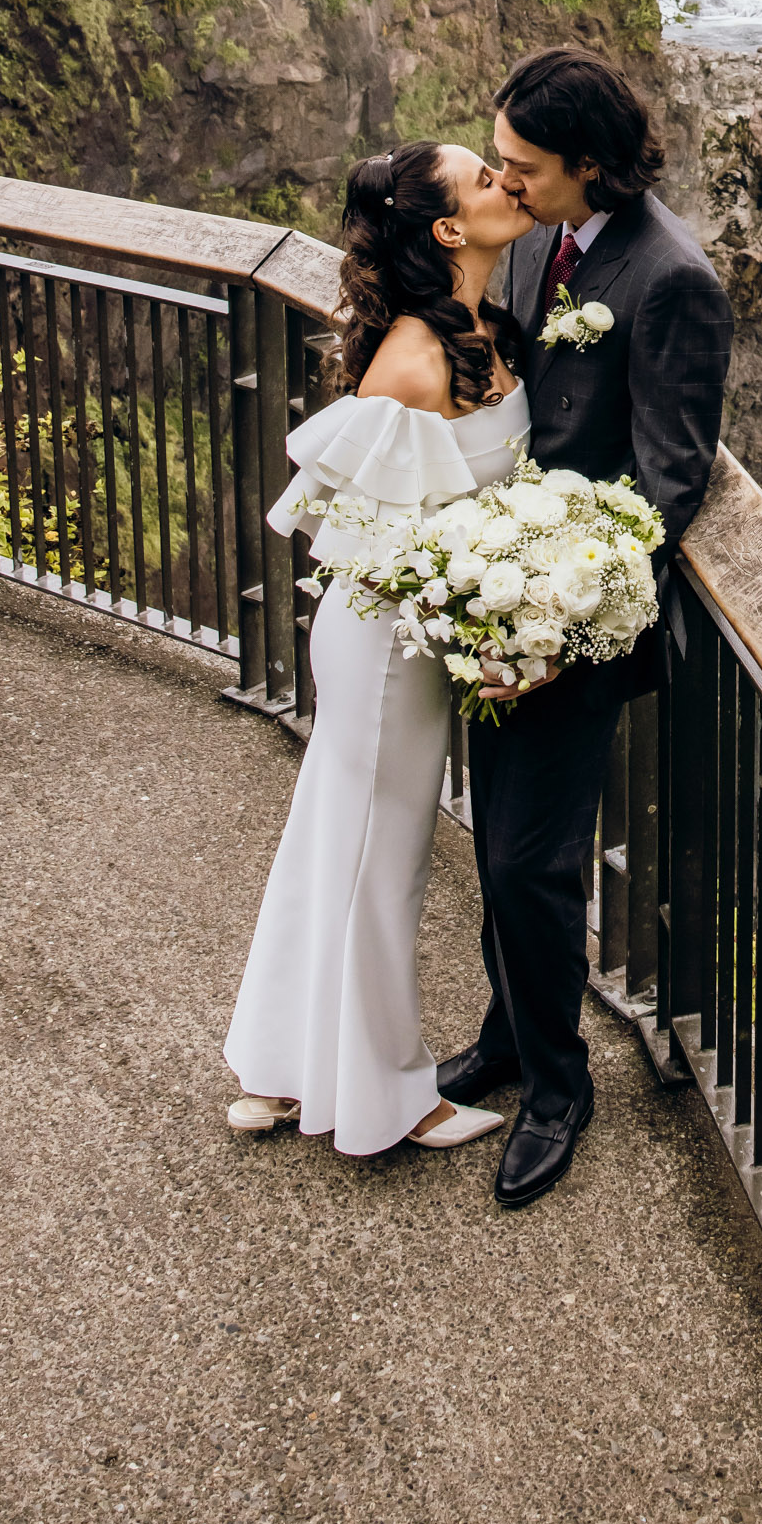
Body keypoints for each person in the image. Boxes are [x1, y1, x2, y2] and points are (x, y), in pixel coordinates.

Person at [435, 46, 734, 1209]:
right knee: (497, 845)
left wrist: (554, 619)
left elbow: (668, 479)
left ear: (589, 168)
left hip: (577, 621)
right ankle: (505, 1037)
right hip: (499, 591)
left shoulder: (669, 279)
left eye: (521, 167)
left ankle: (560, 1091)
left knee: (532, 862)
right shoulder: (545, 245)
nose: (502, 185)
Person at [222, 141, 534, 1158]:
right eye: (483, 178)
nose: (505, 181)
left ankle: (279, 1066)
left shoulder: (480, 324)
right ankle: (389, 1094)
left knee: (333, 839)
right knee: (377, 862)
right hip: (386, 645)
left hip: (410, 637)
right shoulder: (412, 364)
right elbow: (385, 548)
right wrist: (493, 623)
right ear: (448, 230)